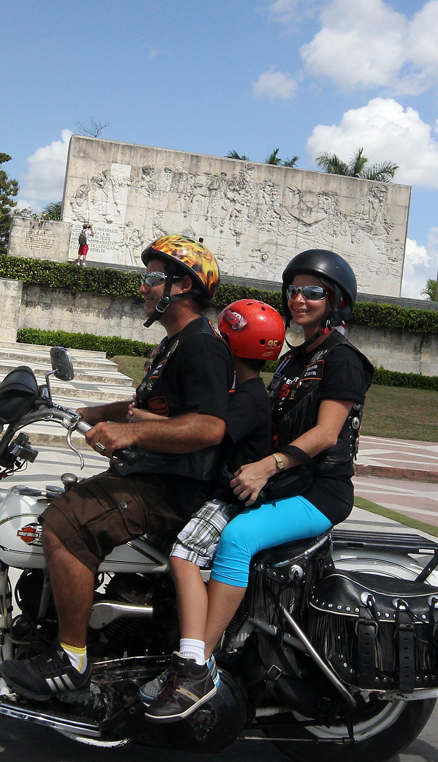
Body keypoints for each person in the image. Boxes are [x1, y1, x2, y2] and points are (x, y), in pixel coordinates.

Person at [0, 235, 233, 702]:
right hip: (147, 477)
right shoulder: (174, 345)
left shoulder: (202, 347)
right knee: (55, 502)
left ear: (183, 285)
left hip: (173, 489)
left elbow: (209, 427)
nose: (143, 288)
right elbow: (147, 406)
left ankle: (71, 660)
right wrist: (96, 411)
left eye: (152, 279)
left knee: (64, 525)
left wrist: (132, 433)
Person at [145, 249, 374, 722]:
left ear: (336, 300)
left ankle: (195, 669)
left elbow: (327, 433)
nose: (299, 300)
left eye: (313, 292)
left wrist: (266, 466)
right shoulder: (294, 360)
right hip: (284, 484)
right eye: (293, 291)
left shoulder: (343, 359)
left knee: (237, 538)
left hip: (319, 491)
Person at [135, 299, 285, 718]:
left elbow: (209, 435)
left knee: (183, 555)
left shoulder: (248, 399)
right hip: (226, 495)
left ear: (231, 342)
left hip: (233, 501)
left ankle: (192, 661)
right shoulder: (248, 391)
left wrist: (146, 422)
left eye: (222, 334)